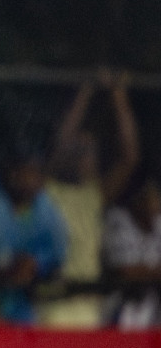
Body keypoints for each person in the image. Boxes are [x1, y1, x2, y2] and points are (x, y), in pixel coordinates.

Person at [41, 72, 140, 327]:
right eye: (81, 150)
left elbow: (129, 157)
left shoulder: (94, 195)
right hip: (53, 308)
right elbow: (62, 143)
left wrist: (119, 96)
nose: (86, 156)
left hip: (88, 310)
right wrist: (85, 90)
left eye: (91, 152)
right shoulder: (49, 190)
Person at [0, 148, 68, 325]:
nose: (34, 180)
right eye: (29, 172)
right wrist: (12, 264)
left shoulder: (43, 206)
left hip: (26, 312)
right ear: (12, 173)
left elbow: (57, 254)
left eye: (37, 173)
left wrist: (35, 263)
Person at [102, 174, 161, 329]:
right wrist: (154, 272)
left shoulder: (158, 223)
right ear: (138, 202)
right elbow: (127, 271)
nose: (156, 203)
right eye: (151, 198)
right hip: (122, 304)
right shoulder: (119, 221)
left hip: (152, 305)